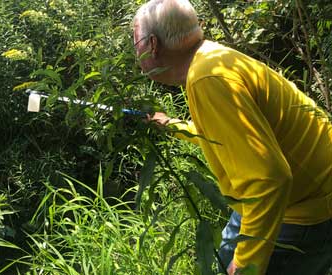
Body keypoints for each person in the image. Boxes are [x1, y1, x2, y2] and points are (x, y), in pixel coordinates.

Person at [132, 0, 332, 274]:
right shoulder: (212, 58)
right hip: (301, 194)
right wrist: (172, 125)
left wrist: (247, 263)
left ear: (153, 44)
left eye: (136, 41)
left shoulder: (207, 78)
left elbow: (270, 180)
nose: (135, 50)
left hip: (302, 212)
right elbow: (231, 136)